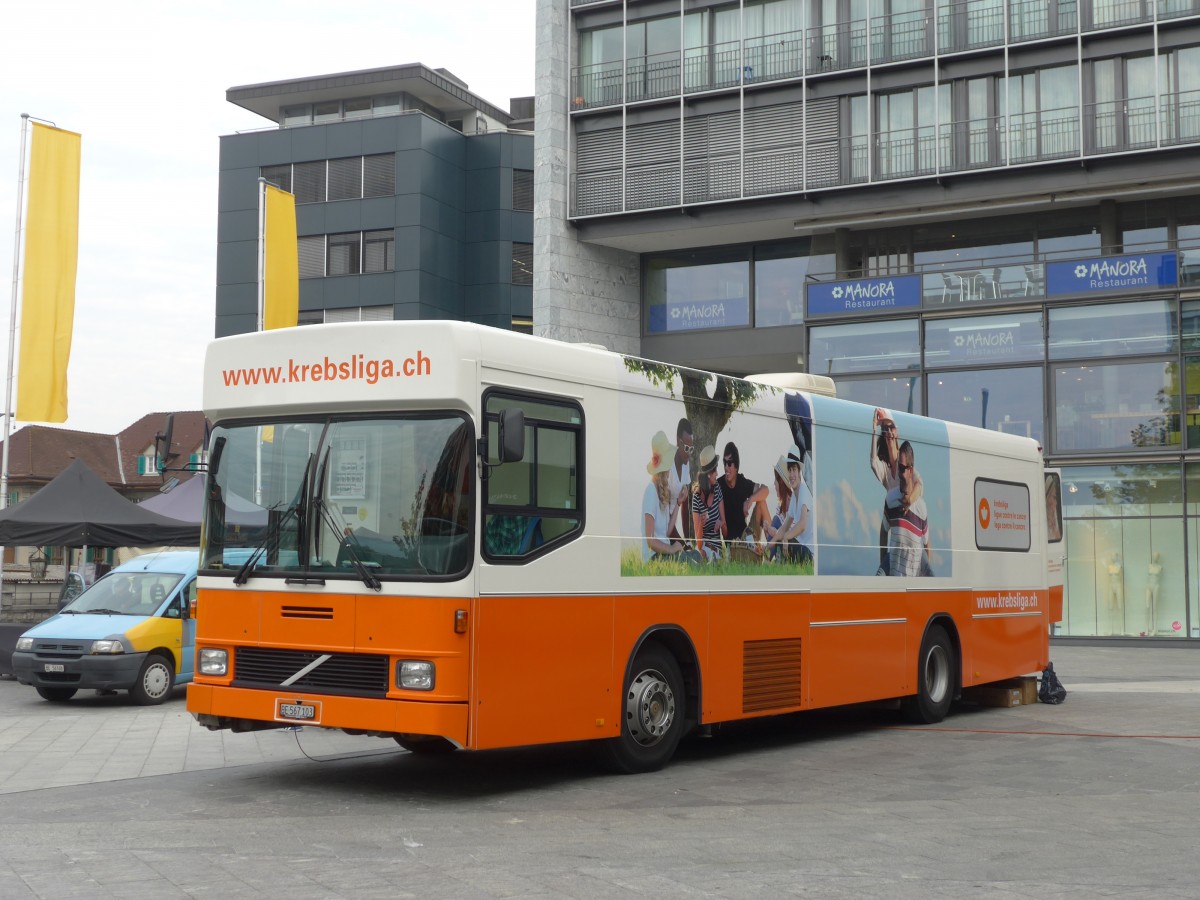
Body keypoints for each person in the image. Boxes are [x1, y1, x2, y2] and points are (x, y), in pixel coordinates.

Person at [869, 407, 922, 573]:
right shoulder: (885, 469)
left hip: (909, 523)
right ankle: (882, 566)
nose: (888, 432)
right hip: (895, 523)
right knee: (884, 534)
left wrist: (909, 501)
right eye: (885, 430)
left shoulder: (904, 460)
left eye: (891, 428)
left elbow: (919, 484)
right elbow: (873, 462)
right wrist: (873, 429)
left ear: (896, 432)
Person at [881, 441, 933, 577]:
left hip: (913, 587)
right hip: (895, 585)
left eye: (903, 468)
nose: (899, 472)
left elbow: (927, 545)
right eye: (899, 467)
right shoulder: (890, 499)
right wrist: (883, 563)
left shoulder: (921, 507)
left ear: (911, 470)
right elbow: (883, 531)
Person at [642, 431, 688, 562]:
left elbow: (667, 532)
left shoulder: (661, 491)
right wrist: (672, 549)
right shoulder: (651, 491)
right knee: (691, 562)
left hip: (665, 555)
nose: (670, 470)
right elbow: (650, 540)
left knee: (694, 555)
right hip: (654, 558)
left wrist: (679, 503)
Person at [719, 441, 769, 549]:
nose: (726, 467)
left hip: (746, 536)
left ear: (736, 466)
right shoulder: (719, 485)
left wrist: (750, 500)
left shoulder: (742, 482)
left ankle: (773, 547)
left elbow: (765, 490)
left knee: (761, 502)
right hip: (731, 543)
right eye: (724, 463)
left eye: (729, 463)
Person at [765, 455, 812, 565]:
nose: (791, 474)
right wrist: (771, 542)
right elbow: (784, 527)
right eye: (789, 470)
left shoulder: (803, 492)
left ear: (799, 472)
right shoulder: (795, 496)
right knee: (779, 534)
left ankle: (776, 560)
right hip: (801, 546)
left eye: (794, 470)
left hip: (809, 552)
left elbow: (802, 525)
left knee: (781, 536)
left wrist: (785, 537)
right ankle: (770, 558)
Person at [691, 445, 725, 561]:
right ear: (709, 473)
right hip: (703, 548)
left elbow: (725, 527)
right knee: (701, 553)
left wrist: (721, 522)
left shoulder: (717, 489)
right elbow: (699, 544)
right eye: (715, 470)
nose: (717, 473)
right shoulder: (696, 498)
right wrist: (701, 523)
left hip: (716, 548)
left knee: (706, 556)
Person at [668, 418, 694, 540]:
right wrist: (681, 543)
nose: (689, 453)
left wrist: (687, 540)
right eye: (687, 448)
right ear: (678, 442)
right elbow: (664, 516)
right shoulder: (667, 466)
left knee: (692, 554)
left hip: (672, 528)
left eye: (691, 449)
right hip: (663, 529)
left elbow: (685, 507)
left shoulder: (686, 464)